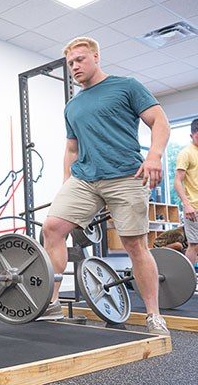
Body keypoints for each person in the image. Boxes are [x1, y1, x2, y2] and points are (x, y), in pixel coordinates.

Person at [40, 37, 171, 335]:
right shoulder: (72, 106)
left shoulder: (127, 86)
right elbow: (71, 150)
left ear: (96, 57)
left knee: (134, 245)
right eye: (70, 63)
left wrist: (154, 156)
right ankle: (51, 302)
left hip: (126, 175)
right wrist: (65, 185)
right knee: (52, 227)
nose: (75, 66)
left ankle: (153, 315)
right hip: (85, 180)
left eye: (80, 59)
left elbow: (159, 121)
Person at [175, 119, 198, 267]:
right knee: (195, 245)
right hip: (194, 207)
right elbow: (177, 181)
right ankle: (187, 282)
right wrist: (186, 204)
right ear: (191, 136)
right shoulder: (186, 153)